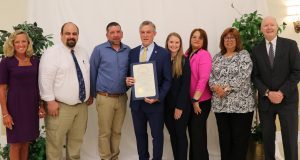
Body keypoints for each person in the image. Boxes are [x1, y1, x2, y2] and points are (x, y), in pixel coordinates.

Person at [39, 22, 91, 160]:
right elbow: (45, 79)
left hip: (81, 107)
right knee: (55, 144)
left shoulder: (82, 52)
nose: (71, 36)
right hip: (60, 107)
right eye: (67, 33)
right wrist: (50, 101)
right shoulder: (51, 54)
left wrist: (88, 94)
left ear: (78, 35)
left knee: (76, 144)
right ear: (61, 35)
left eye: (74, 33)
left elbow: (85, 75)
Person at [251, 16, 300, 160]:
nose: (269, 27)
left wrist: (281, 92)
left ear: (277, 27)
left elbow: (297, 71)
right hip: (266, 102)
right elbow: (255, 76)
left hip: (288, 100)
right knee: (267, 140)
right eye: (265, 25)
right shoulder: (256, 50)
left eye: (272, 24)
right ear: (261, 29)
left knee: (290, 140)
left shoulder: (290, 45)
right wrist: (267, 93)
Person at [126, 20, 172, 160]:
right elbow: (128, 76)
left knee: (157, 136)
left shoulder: (164, 53)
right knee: (140, 135)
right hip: (137, 104)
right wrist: (127, 81)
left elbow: (167, 79)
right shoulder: (132, 52)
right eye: (142, 32)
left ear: (154, 34)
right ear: (140, 34)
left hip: (155, 104)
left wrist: (158, 97)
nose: (145, 35)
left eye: (148, 32)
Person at [209, 27, 255, 160]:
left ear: (237, 40)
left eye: (232, 37)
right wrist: (216, 87)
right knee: (225, 141)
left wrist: (226, 89)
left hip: (241, 107)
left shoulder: (243, 55)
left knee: (239, 141)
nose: (229, 40)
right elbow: (210, 76)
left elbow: (244, 75)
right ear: (223, 40)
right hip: (221, 106)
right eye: (226, 37)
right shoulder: (217, 57)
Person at [0, 30, 45, 160]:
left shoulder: (35, 61)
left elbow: (39, 85)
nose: (21, 44)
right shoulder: (6, 62)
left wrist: (41, 105)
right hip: (14, 108)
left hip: (30, 108)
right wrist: (5, 114)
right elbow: (2, 89)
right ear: (12, 44)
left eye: (23, 41)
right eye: (17, 42)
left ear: (28, 43)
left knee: (26, 143)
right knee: (15, 145)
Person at [90, 22, 130, 160]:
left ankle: (115, 157)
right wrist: (94, 95)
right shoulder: (99, 50)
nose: (115, 35)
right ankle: (105, 158)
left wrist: (129, 85)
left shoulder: (128, 51)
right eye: (112, 32)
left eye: (118, 31)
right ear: (107, 34)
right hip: (104, 98)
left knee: (117, 132)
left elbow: (130, 74)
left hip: (122, 98)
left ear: (122, 33)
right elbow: (92, 72)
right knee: (105, 132)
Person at [185, 28, 212, 160]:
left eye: (200, 38)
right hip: (190, 101)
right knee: (194, 135)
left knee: (197, 135)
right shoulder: (187, 54)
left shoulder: (204, 54)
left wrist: (195, 100)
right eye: (194, 37)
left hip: (200, 102)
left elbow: (203, 79)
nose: (196, 39)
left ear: (204, 41)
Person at [164, 32, 191, 160]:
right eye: (171, 42)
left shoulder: (185, 61)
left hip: (180, 106)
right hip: (165, 106)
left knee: (180, 135)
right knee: (173, 135)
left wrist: (179, 107)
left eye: (177, 42)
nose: (174, 45)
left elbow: (185, 86)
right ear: (167, 43)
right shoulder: (163, 60)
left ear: (180, 44)